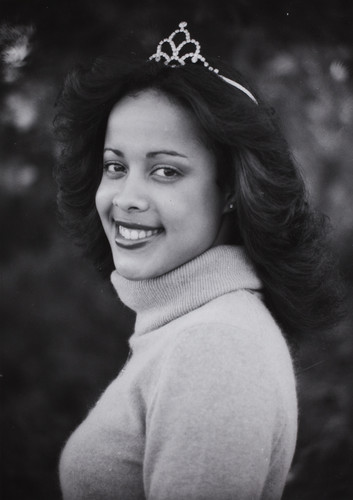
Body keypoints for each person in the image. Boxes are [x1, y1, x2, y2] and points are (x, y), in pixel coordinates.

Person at [54, 22, 343, 500]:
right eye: (115, 166)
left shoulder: (214, 345)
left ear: (231, 190)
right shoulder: (190, 329)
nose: (127, 197)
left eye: (165, 171)